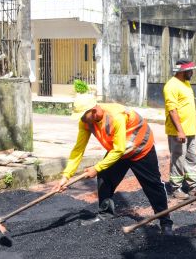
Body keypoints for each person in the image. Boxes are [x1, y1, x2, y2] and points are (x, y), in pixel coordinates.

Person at [54, 97, 173, 235]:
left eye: (83, 116)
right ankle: (105, 214)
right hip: (119, 150)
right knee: (104, 176)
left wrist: (96, 167)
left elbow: (119, 150)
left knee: (153, 185)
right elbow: (78, 149)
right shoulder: (86, 122)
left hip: (141, 148)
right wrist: (66, 176)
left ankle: (165, 222)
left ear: (93, 111)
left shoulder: (116, 116)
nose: (82, 119)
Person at [164, 59, 196, 199]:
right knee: (178, 158)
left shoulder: (186, 84)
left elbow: (189, 105)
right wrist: (180, 130)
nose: (192, 73)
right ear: (182, 71)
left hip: (190, 129)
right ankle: (176, 188)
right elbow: (172, 110)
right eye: (190, 70)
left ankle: (193, 185)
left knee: (192, 157)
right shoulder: (171, 86)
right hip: (178, 131)